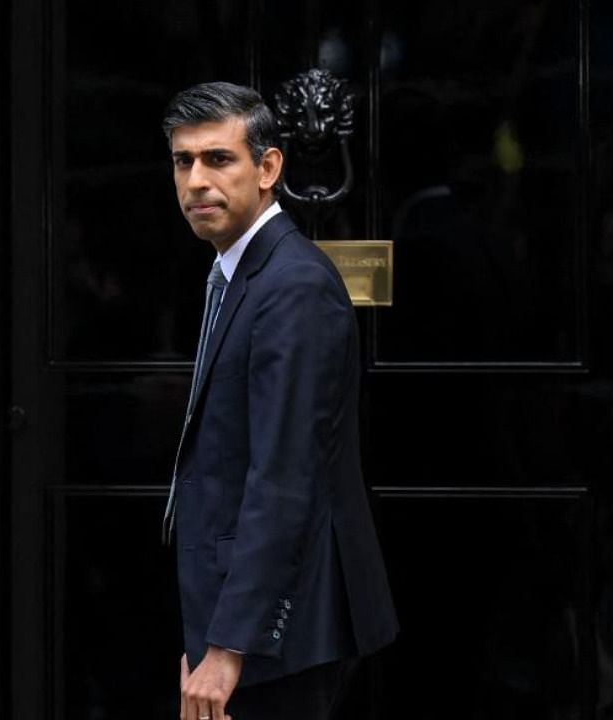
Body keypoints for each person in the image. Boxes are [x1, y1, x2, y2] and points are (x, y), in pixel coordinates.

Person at [159, 81, 398, 720]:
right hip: (247, 614)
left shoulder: (292, 287)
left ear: (268, 168)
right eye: (184, 161)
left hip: (282, 635)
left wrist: (230, 646)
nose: (197, 180)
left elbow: (285, 477)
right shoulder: (238, 273)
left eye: (218, 158)